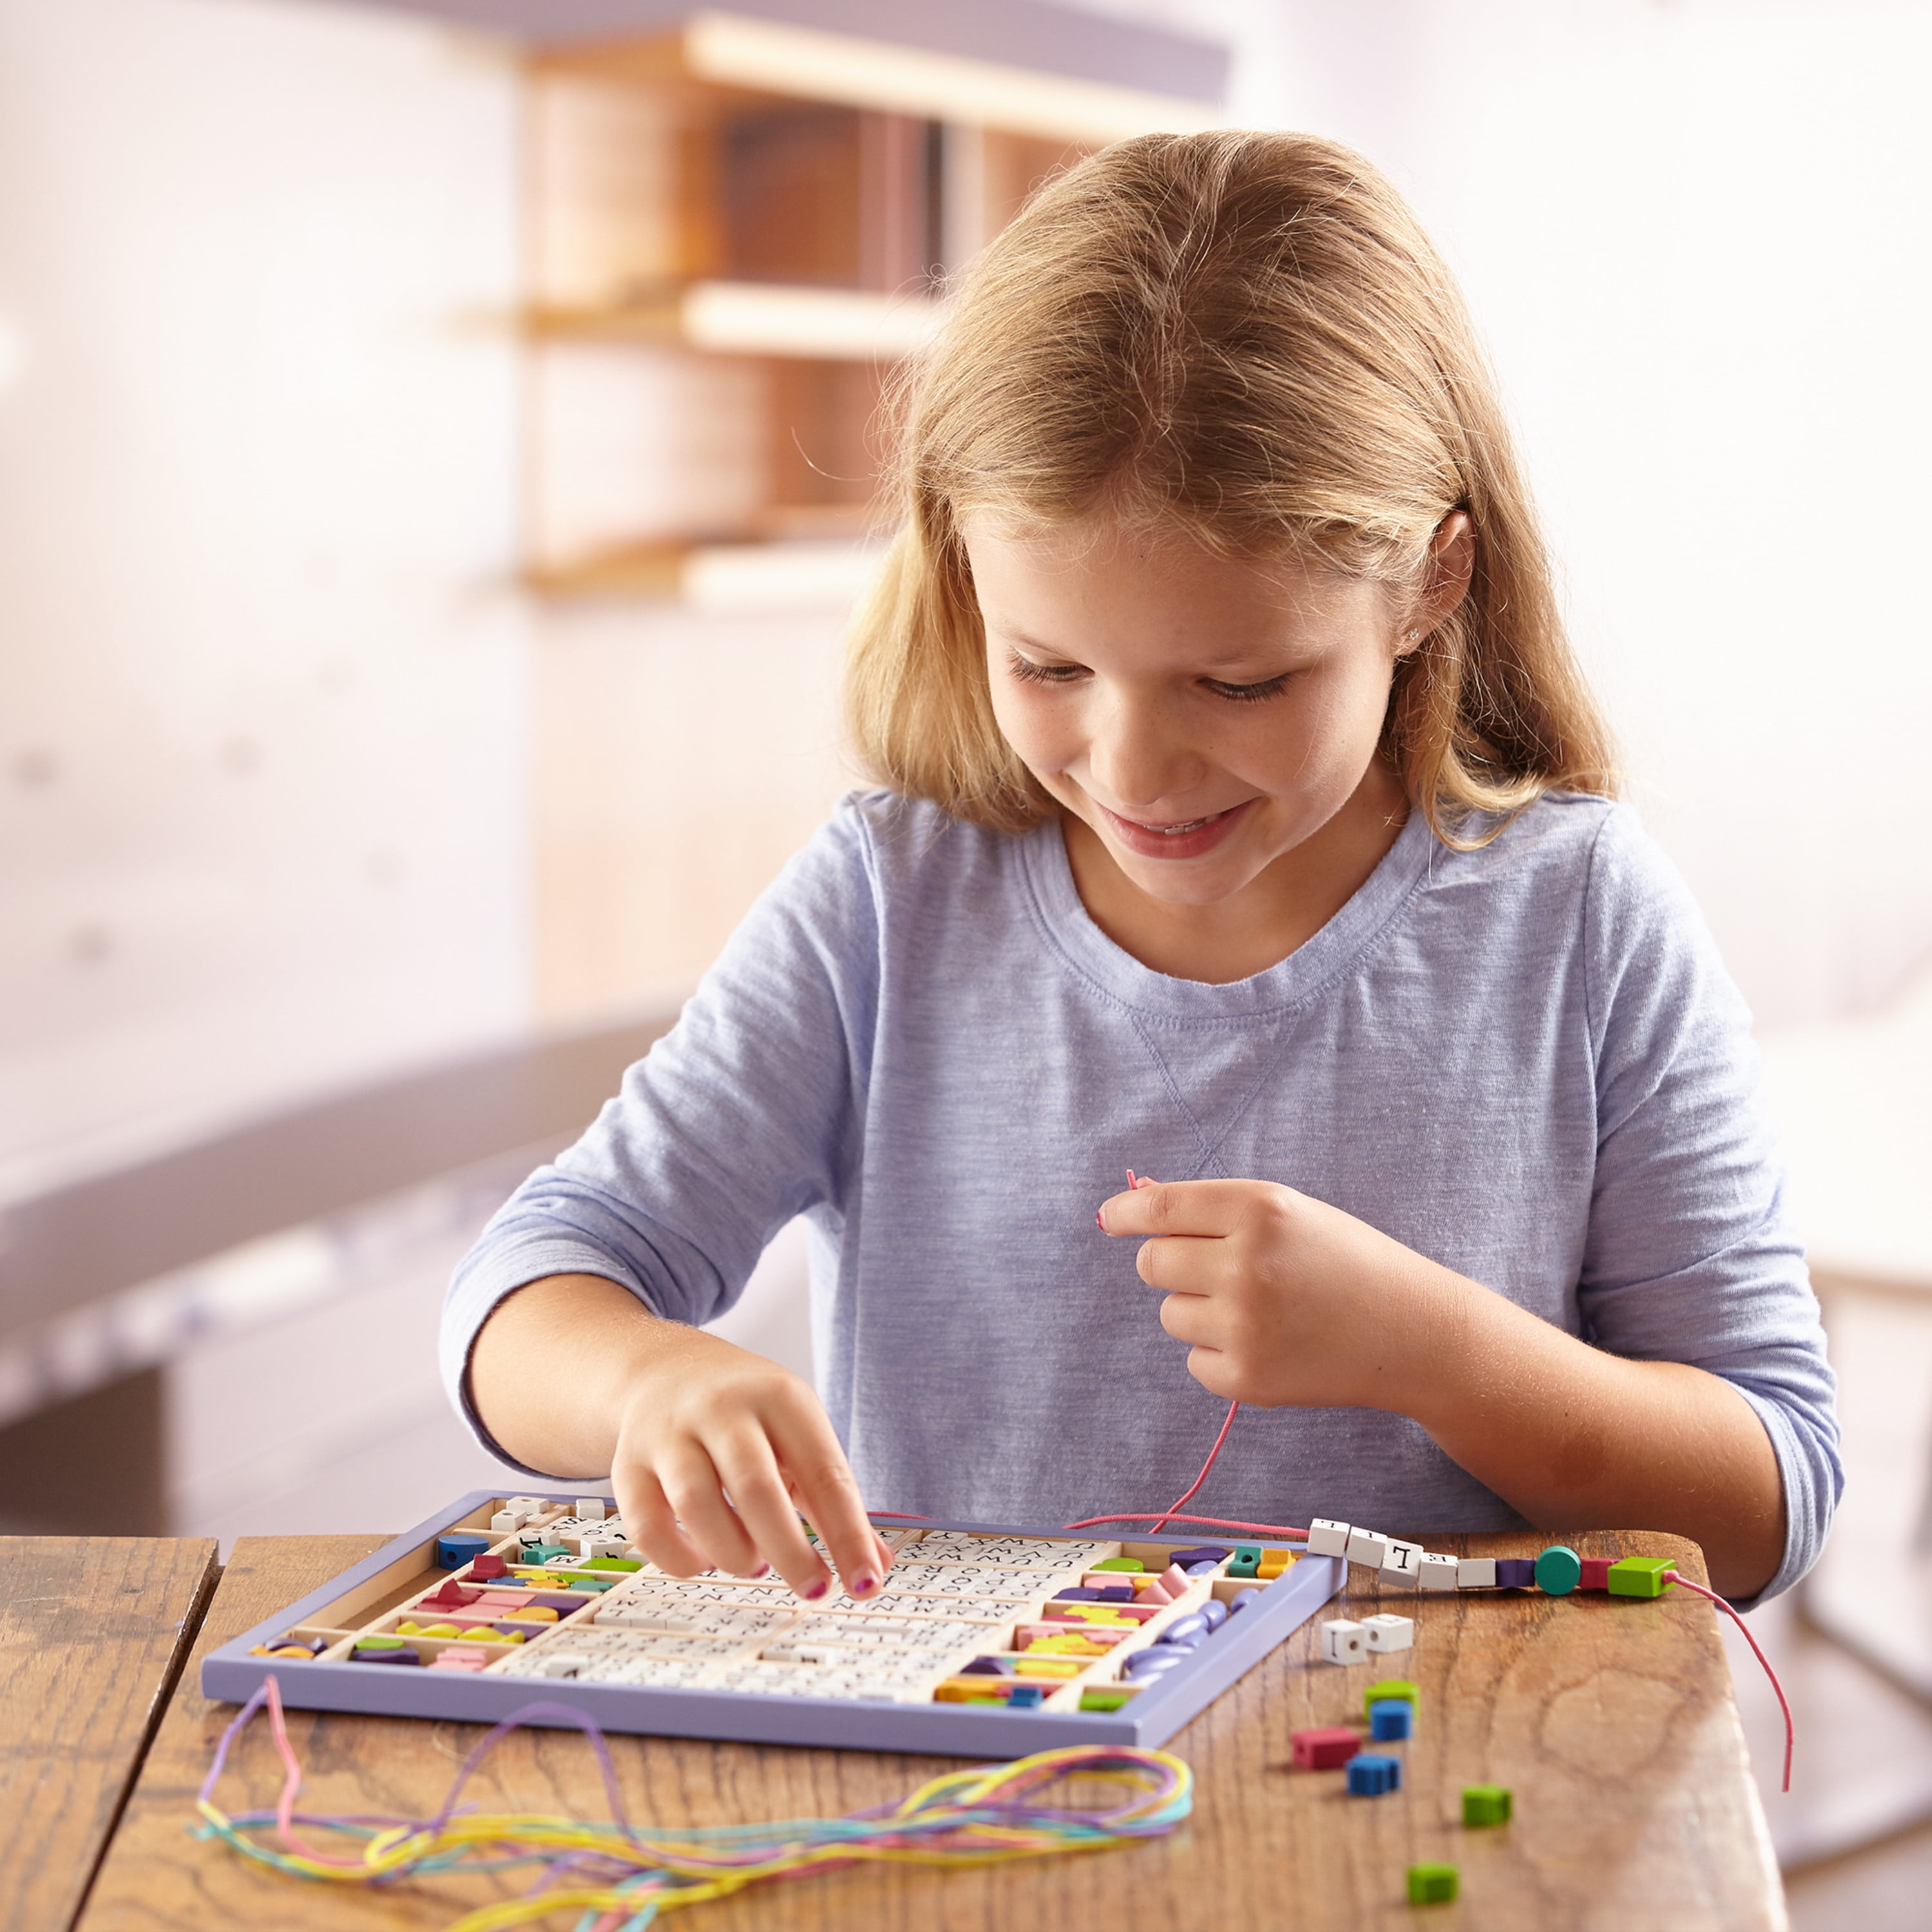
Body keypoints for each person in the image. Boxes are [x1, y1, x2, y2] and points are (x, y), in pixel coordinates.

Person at [444, 132, 1837, 1607]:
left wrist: (1435, 1351)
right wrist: (646, 1381)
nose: (1133, 770)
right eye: (1048, 665)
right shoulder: (887, 906)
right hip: (981, 1795)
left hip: (1429, 1793)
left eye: (1241, 685)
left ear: (1432, 584)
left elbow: (1768, 1504)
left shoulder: (1580, 920)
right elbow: (533, 1284)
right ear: (964, 575)